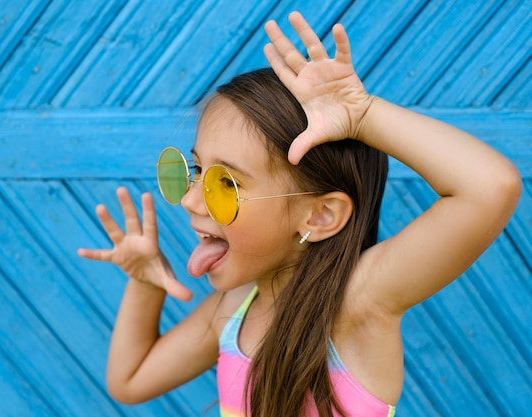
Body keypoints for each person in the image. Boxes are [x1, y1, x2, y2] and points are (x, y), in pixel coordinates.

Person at [77, 11, 521, 417]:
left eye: (225, 185)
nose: (192, 200)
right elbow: (129, 381)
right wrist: (144, 283)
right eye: (194, 171)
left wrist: (363, 115)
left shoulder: (358, 304)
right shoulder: (231, 312)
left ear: (321, 216)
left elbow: (490, 187)